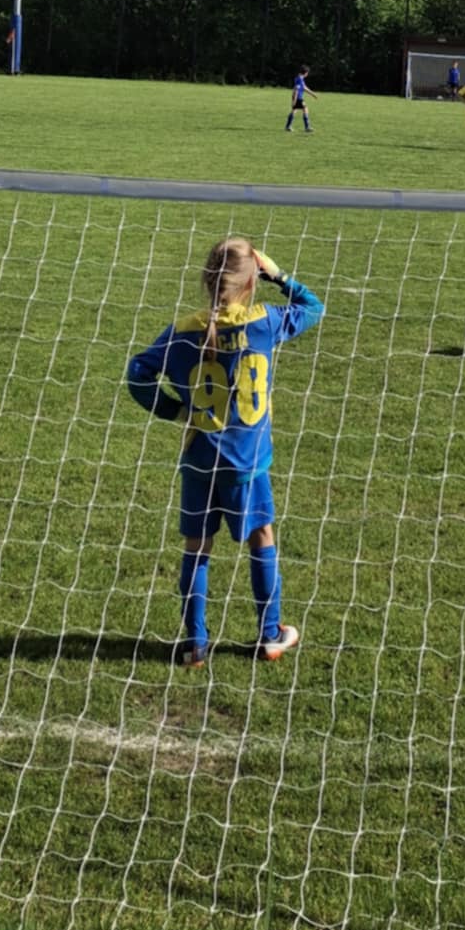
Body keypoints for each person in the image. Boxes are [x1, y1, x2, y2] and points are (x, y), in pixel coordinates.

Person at [126, 237, 325, 669]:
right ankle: (270, 635)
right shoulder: (264, 322)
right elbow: (313, 307)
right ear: (252, 280)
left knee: (197, 548)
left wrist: (175, 410)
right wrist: (279, 275)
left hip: (200, 461)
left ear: (206, 279)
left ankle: (195, 643)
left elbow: (137, 373)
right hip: (247, 465)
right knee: (262, 538)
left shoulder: (182, 331)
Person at [285, 66, 316, 134]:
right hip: (298, 98)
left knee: (294, 111)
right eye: (307, 73)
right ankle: (307, 127)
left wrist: (312, 94)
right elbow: (296, 89)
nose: (307, 74)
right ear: (306, 73)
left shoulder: (299, 78)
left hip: (297, 97)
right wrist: (294, 100)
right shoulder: (300, 79)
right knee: (305, 109)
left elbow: (304, 88)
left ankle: (288, 126)